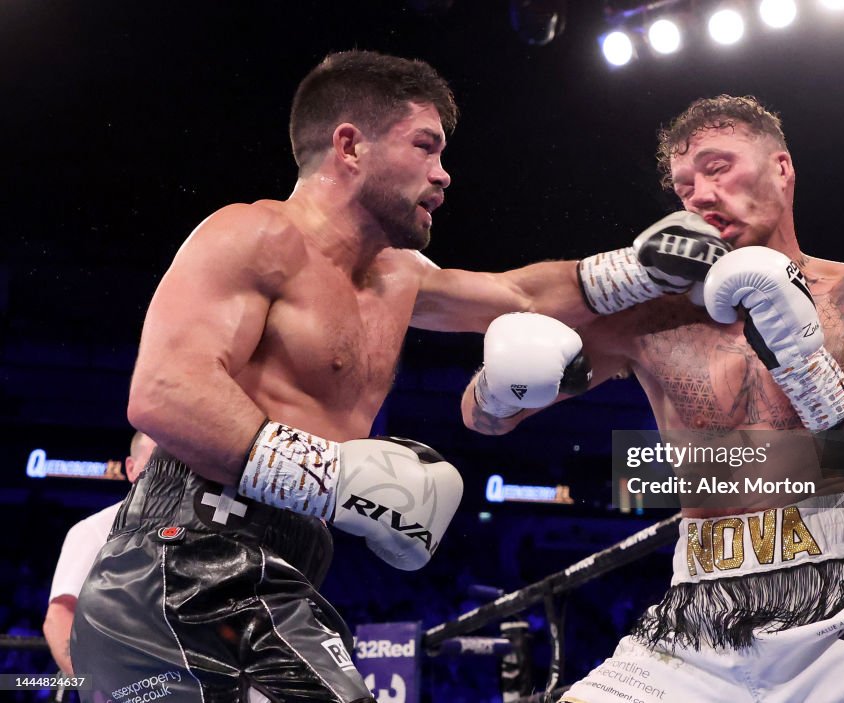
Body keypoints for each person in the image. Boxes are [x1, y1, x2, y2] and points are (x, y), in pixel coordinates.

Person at [70, 50, 719, 703]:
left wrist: (637, 269)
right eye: (425, 146)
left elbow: (518, 292)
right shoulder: (255, 234)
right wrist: (335, 477)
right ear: (350, 145)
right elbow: (162, 392)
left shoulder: (401, 278)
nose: (444, 173)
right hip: (182, 560)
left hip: (274, 573)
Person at [462, 96, 844, 702]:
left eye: (717, 166)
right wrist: (503, 378)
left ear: (782, 168)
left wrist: (802, 359)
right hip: (696, 617)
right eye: (683, 184)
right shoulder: (651, 318)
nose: (698, 193)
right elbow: (485, 418)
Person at [43, 431, 156, 678]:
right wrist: (98, 687)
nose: (168, 474)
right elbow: (60, 616)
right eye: (156, 463)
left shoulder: (197, 527)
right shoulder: (95, 530)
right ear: (131, 468)